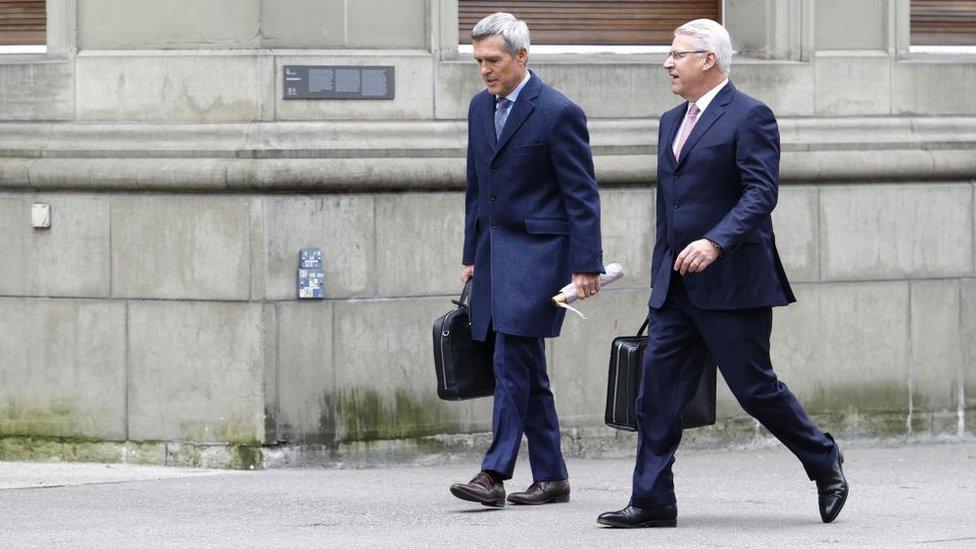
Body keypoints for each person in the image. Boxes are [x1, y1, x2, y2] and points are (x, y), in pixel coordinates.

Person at [597, 19, 848, 528]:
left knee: (755, 390)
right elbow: (669, 207)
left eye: (676, 54)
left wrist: (715, 242)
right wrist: (660, 275)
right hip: (676, 286)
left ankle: (824, 460)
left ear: (707, 60)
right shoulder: (670, 121)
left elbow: (761, 193)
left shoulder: (751, 116)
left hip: (734, 283)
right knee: (656, 394)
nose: (668, 63)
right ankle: (651, 501)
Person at [449, 12, 604, 508]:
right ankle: (553, 476)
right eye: (478, 62)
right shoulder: (479, 107)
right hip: (495, 258)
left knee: (509, 362)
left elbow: (581, 195)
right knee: (526, 370)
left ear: (521, 56)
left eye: (492, 60)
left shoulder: (559, 112)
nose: (485, 70)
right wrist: (471, 254)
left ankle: (493, 473)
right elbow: (478, 187)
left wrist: (586, 266)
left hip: (539, 258)